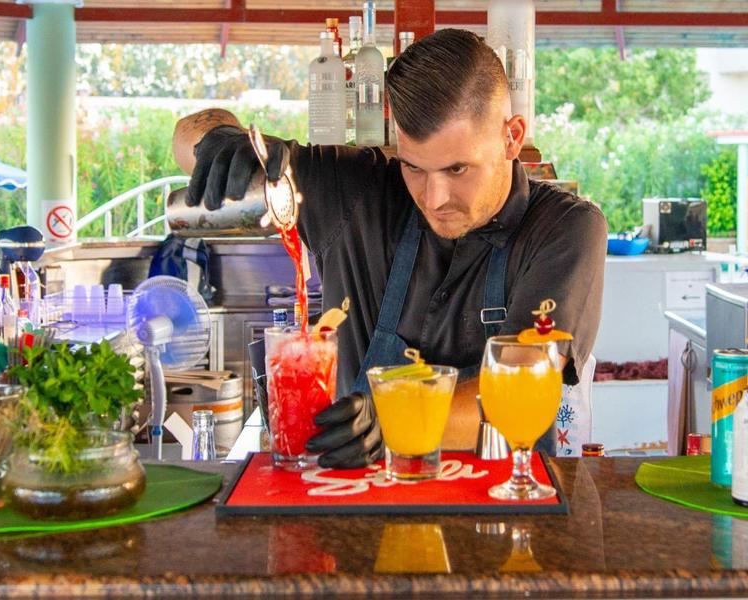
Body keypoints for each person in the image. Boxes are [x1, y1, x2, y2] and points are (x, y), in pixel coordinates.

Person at [174, 29, 608, 468]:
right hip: (359, 517)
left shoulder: (565, 228)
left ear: (512, 136)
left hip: (501, 518)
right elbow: (187, 139)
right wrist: (223, 139)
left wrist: (398, 418)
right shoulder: (357, 194)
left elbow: (523, 376)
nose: (434, 198)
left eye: (457, 168)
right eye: (413, 167)